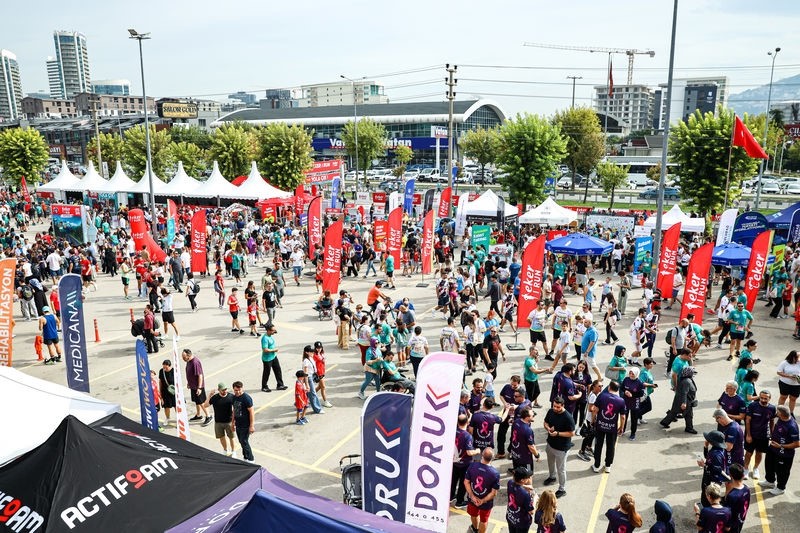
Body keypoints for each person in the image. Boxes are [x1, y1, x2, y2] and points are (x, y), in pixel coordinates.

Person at [759, 404, 799, 495]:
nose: (776, 413)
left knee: (782, 472)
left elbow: (797, 444)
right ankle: (770, 481)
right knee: (769, 465)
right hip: (773, 448)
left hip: (784, 454)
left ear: (781, 414)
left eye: (777, 412)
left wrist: (780, 446)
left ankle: (780, 488)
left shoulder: (792, 427)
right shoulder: (781, 418)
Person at [543, 396, 576, 498]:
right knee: (550, 463)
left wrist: (557, 433)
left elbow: (572, 433)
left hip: (562, 448)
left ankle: (562, 489)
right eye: (554, 406)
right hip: (550, 444)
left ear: (563, 406)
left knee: (561, 469)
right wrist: (548, 428)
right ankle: (552, 477)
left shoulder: (568, 417)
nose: (555, 408)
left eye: (558, 407)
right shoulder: (551, 411)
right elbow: (545, 423)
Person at [592, 380, 626, 474]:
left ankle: (596, 465)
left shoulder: (601, 396)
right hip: (612, 428)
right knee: (611, 446)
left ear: (609, 387)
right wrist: (621, 427)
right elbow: (623, 417)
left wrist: (593, 420)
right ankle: (608, 466)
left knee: (598, 445)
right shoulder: (621, 401)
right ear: (618, 389)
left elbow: (595, 410)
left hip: (600, 425)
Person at [464, 447, 500, 533]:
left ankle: (474, 529)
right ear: (492, 458)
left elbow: (466, 482)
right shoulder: (495, 473)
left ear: (482, 455)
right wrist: (482, 500)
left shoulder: (472, 465)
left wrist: (472, 496)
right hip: (486, 502)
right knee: (484, 520)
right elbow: (494, 493)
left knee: (473, 514)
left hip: (473, 499)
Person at [744, 389, 776, 480]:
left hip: (763, 435)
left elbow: (772, 421)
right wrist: (748, 435)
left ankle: (755, 468)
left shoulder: (772, 408)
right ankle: (745, 469)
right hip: (751, 434)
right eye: (761, 398)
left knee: (759, 453)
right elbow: (747, 420)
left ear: (769, 399)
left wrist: (772, 434)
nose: (763, 400)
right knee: (748, 453)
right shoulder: (752, 406)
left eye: (765, 398)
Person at [452, 414, 480, 508]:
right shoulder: (467, 436)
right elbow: (469, 452)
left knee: (453, 480)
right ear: (467, 422)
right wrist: (477, 451)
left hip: (454, 461)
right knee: (463, 483)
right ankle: (459, 502)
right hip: (465, 463)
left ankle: (451, 496)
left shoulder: (453, 432)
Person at [697, 430, 730, 507]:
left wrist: (704, 465)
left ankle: (707, 510)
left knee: (707, 499)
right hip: (712, 479)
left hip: (711, 481)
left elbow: (716, 470)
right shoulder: (718, 449)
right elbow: (708, 457)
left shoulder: (716, 455)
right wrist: (706, 447)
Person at [660, 366, 698, 434]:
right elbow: (684, 393)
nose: (693, 374)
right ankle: (689, 428)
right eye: (692, 372)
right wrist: (684, 403)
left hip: (679, 399)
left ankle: (665, 422)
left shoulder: (684, 378)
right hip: (685, 400)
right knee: (688, 415)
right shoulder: (687, 381)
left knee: (674, 412)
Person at [204, 383, 236, 457]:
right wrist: (209, 395)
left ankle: (233, 451)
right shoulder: (215, 398)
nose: (225, 391)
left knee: (231, 437)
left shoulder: (231, 397)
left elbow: (235, 409)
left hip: (229, 422)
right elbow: (205, 405)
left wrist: (234, 421)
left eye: (225, 389)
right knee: (221, 438)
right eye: (223, 390)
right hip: (218, 422)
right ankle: (225, 450)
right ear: (218, 390)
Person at [182, 349, 211, 425]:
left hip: (198, 387)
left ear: (188, 355)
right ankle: (198, 415)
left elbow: (200, 375)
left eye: (184, 357)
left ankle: (209, 416)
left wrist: (199, 388)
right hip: (193, 386)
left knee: (201, 402)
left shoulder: (195, 362)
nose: (183, 359)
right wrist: (189, 383)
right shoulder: (189, 361)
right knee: (197, 401)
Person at [510, 407, 541, 474]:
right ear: (527, 417)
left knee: (517, 473)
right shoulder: (527, 430)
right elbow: (531, 447)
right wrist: (537, 455)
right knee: (527, 476)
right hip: (525, 459)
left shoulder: (516, 422)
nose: (534, 415)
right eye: (532, 415)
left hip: (515, 454)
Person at [506, 467, 537, 533]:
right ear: (522, 480)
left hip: (511, 517)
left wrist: (524, 486)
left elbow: (515, 483)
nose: (529, 478)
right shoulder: (525, 494)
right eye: (527, 477)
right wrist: (535, 499)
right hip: (521, 522)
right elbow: (531, 512)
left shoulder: (510, 483)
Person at [724, 463, 750, 533]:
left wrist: (727, 490)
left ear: (731, 476)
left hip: (731, 526)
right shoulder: (747, 489)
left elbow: (727, 513)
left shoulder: (732, 496)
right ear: (743, 475)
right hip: (740, 520)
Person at [260, 324, 287, 392]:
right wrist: (274, 350)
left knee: (278, 370)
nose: (274, 332)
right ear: (268, 330)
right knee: (267, 373)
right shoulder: (265, 338)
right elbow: (265, 349)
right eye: (273, 330)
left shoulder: (270, 336)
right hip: (267, 359)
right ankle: (264, 386)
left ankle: (280, 385)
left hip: (273, 357)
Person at [776, 350, 800, 416]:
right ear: (793, 357)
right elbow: (779, 372)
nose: (799, 358)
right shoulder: (784, 363)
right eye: (798, 357)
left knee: (793, 399)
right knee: (783, 397)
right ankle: (779, 412)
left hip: (797, 385)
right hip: (785, 383)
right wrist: (789, 376)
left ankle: (790, 413)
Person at [301, 345, 324, 414]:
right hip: (308, 377)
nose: (313, 353)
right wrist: (307, 384)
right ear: (306, 352)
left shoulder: (311, 358)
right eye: (311, 352)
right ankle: (317, 409)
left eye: (313, 351)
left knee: (309, 393)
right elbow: (305, 373)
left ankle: (299, 402)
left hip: (312, 376)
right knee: (313, 393)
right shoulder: (306, 361)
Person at [158, 359, 176, 426]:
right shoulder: (161, 371)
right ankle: (167, 418)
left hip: (174, 392)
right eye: (163, 367)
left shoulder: (174, 371)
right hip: (165, 392)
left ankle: (179, 419)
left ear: (169, 366)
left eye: (166, 367)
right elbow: (160, 382)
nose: (164, 368)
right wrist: (160, 391)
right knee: (166, 407)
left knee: (176, 406)